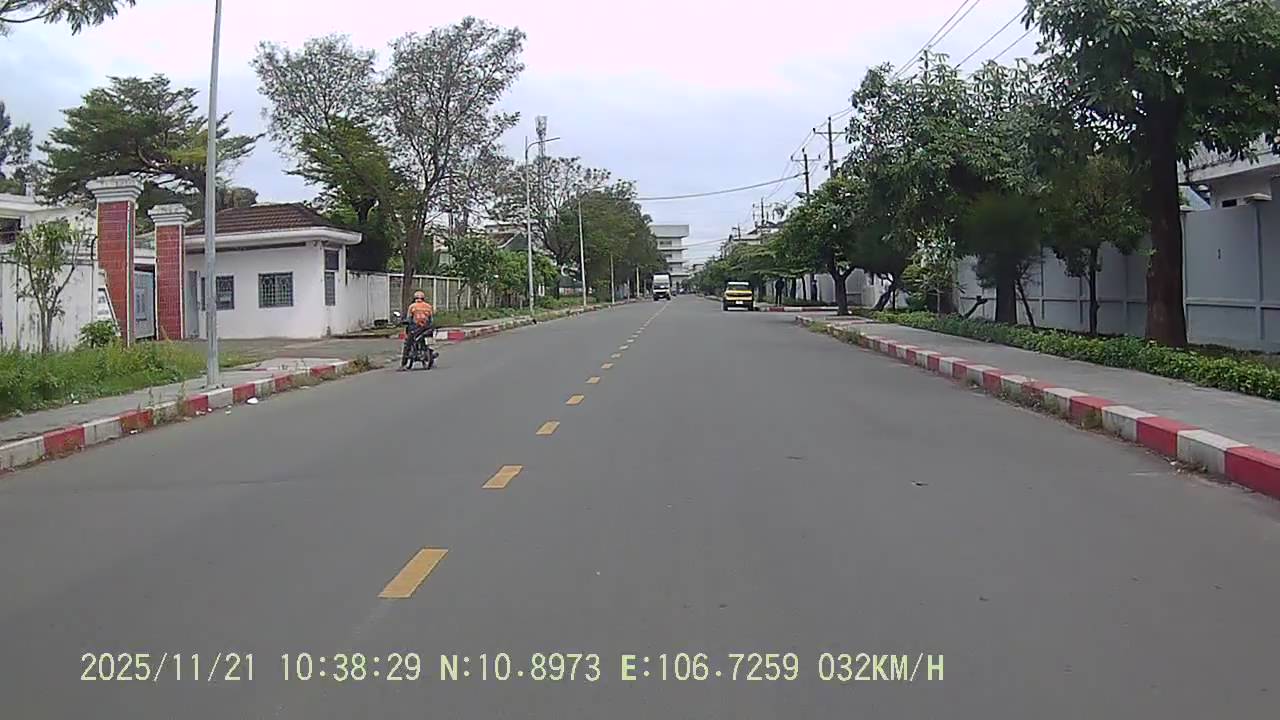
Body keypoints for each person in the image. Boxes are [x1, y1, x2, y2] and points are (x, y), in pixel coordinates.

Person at [399, 290, 436, 370]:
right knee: (430, 339)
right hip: (427, 328)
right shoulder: (428, 306)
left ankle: (403, 364)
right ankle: (431, 353)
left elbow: (409, 318)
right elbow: (431, 319)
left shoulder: (412, 306)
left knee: (407, 344)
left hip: (416, 328)